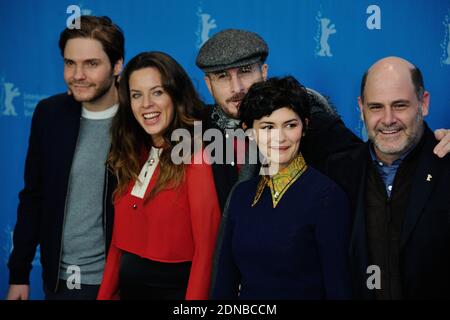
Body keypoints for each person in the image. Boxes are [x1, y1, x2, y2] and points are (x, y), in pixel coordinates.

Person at [196, 29, 450, 212]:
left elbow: (373, 162)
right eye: (222, 77)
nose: (237, 87)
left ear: (264, 71)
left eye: (244, 72)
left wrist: (430, 145)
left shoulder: (312, 119)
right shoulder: (202, 125)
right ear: (208, 84)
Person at [6, 16, 124, 300]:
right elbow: (33, 196)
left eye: (91, 64)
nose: (77, 75)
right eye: (70, 63)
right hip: (60, 282)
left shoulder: (139, 119)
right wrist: (19, 274)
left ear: (117, 65)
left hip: (121, 282)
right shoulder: (49, 114)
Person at [211, 76, 352, 299]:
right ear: (249, 131)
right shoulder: (241, 195)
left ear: (305, 127)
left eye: (290, 125)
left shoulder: (327, 197)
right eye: (268, 127)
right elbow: (224, 282)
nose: (280, 137)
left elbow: (338, 287)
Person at [97, 52, 221, 300]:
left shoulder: (195, 156)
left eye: (157, 92)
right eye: (136, 95)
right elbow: (117, 245)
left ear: (175, 96)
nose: (146, 105)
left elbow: (206, 254)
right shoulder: (130, 154)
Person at [325, 57, 450, 299]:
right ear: (361, 109)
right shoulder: (337, 172)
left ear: (423, 103)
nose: (388, 119)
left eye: (400, 105)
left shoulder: (446, 165)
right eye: (376, 107)